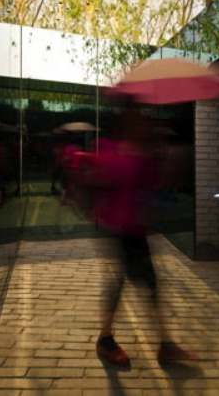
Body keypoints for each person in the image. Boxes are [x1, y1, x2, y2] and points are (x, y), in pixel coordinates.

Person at [82, 102, 195, 366]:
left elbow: (154, 186)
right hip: (119, 227)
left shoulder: (144, 151)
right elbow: (108, 180)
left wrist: (158, 158)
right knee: (125, 282)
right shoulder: (114, 150)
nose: (143, 121)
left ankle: (160, 344)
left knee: (147, 283)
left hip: (135, 227)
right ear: (126, 123)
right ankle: (108, 339)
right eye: (137, 117)